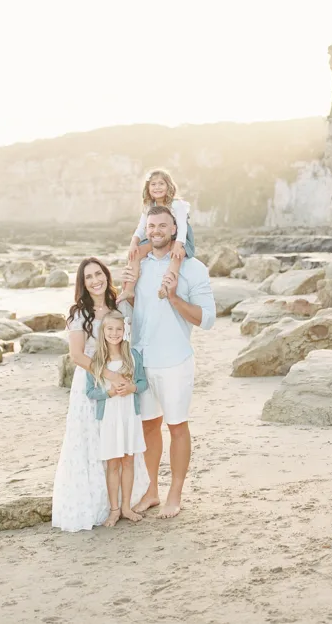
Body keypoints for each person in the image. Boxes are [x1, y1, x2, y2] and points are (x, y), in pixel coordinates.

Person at [122, 205, 216, 519]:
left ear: (175, 230)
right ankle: (151, 491)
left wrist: (175, 298)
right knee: (149, 427)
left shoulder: (193, 269)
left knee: (176, 427)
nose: (156, 231)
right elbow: (131, 309)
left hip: (174, 360)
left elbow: (208, 320)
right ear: (145, 230)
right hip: (141, 358)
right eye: (151, 226)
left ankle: (174, 494)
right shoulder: (139, 265)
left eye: (162, 225)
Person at [52, 257, 149, 532]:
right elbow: (76, 356)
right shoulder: (79, 314)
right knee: (91, 441)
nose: (95, 280)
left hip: (120, 380)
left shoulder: (116, 307)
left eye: (99, 274)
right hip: (92, 381)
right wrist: (109, 375)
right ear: (82, 284)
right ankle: (98, 505)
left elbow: (129, 336)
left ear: (107, 276)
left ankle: (123, 503)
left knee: (118, 440)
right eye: (89, 277)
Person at [85, 310, 148, 527]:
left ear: (125, 330)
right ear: (103, 332)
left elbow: (143, 383)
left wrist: (131, 387)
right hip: (110, 418)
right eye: (110, 329)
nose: (114, 333)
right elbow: (90, 392)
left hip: (129, 415)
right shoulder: (97, 360)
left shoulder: (133, 355)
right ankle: (113, 510)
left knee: (128, 461)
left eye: (119, 329)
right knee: (112, 464)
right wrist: (108, 393)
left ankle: (126, 507)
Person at [117, 169, 194, 303]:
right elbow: (141, 227)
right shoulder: (149, 206)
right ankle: (129, 289)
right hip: (157, 237)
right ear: (148, 188)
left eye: (161, 184)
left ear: (168, 186)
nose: (157, 187)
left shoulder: (176, 204)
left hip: (178, 238)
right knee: (136, 253)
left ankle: (165, 286)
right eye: (153, 184)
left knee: (177, 256)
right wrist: (134, 242)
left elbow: (182, 228)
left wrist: (178, 245)